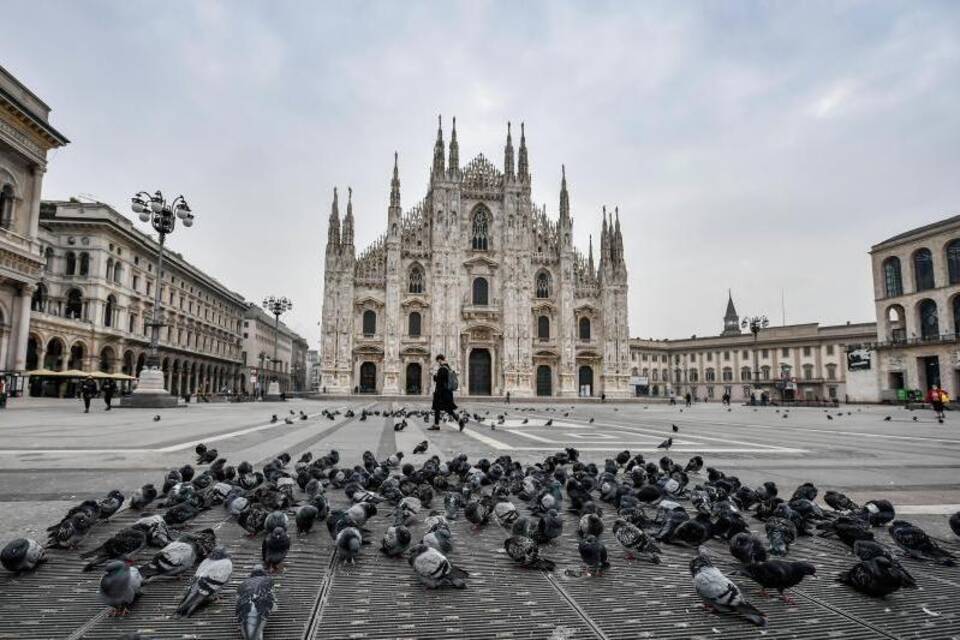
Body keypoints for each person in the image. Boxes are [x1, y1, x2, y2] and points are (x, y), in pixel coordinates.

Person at [431, 354, 458, 431]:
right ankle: (436, 425)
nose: (437, 362)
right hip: (447, 392)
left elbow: (439, 381)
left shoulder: (442, 369)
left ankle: (460, 421)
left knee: (442, 408)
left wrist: (435, 376)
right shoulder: (448, 367)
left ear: (439, 360)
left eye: (437, 361)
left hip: (441, 393)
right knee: (443, 409)